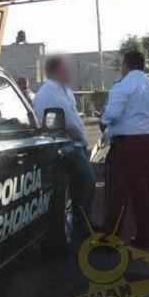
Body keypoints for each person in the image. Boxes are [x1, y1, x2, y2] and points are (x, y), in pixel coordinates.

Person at [100, 50, 149, 248]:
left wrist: (104, 121)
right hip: (148, 143)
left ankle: (110, 239)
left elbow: (110, 115)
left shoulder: (123, 86)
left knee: (117, 193)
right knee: (143, 192)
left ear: (126, 64)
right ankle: (145, 237)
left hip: (125, 145)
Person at [34, 56, 95, 237]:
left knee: (78, 186)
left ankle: (83, 223)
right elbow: (49, 119)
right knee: (87, 180)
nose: (69, 72)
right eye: (65, 69)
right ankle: (81, 225)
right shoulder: (47, 92)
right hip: (66, 146)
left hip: (77, 144)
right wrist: (70, 130)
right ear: (57, 71)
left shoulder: (64, 89)